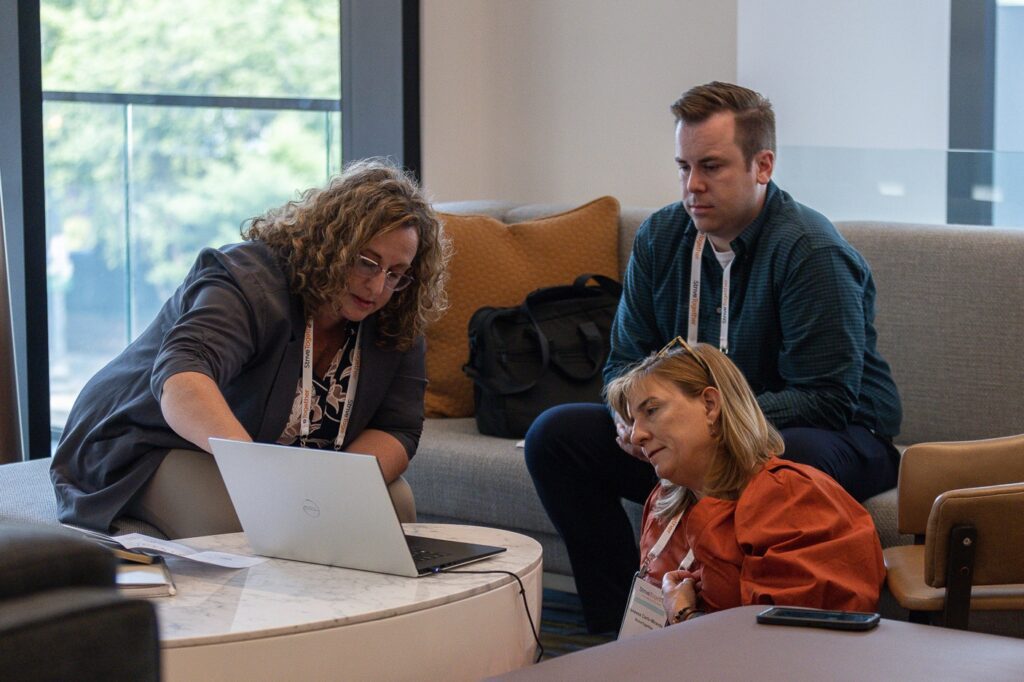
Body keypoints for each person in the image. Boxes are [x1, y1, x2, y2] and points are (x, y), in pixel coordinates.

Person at [525, 81, 901, 632]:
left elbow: (827, 397)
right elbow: (624, 364)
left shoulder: (810, 252)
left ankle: (741, 640)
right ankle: (620, 630)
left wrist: (706, 426)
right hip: (701, 433)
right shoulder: (662, 237)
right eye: (683, 167)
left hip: (842, 435)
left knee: (781, 465)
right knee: (556, 437)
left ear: (762, 165)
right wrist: (630, 418)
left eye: (712, 167)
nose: (692, 186)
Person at [51, 159, 451, 537]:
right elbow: (184, 374)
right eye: (367, 262)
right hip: (146, 439)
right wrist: (260, 479)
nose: (378, 286)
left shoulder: (395, 311)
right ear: (334, 243)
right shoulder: (249, 279)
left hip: (279, 465)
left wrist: (332, 487)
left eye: (396, 273)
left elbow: (396, 428)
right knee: (247, 523)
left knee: (393, 503)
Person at [605, 340, 885, 627]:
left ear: (710, 405)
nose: (636, 435)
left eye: (651, 411)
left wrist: (685, 616)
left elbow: (788, 647)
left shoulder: (793, 499)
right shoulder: (665, 503)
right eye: (632, 420)